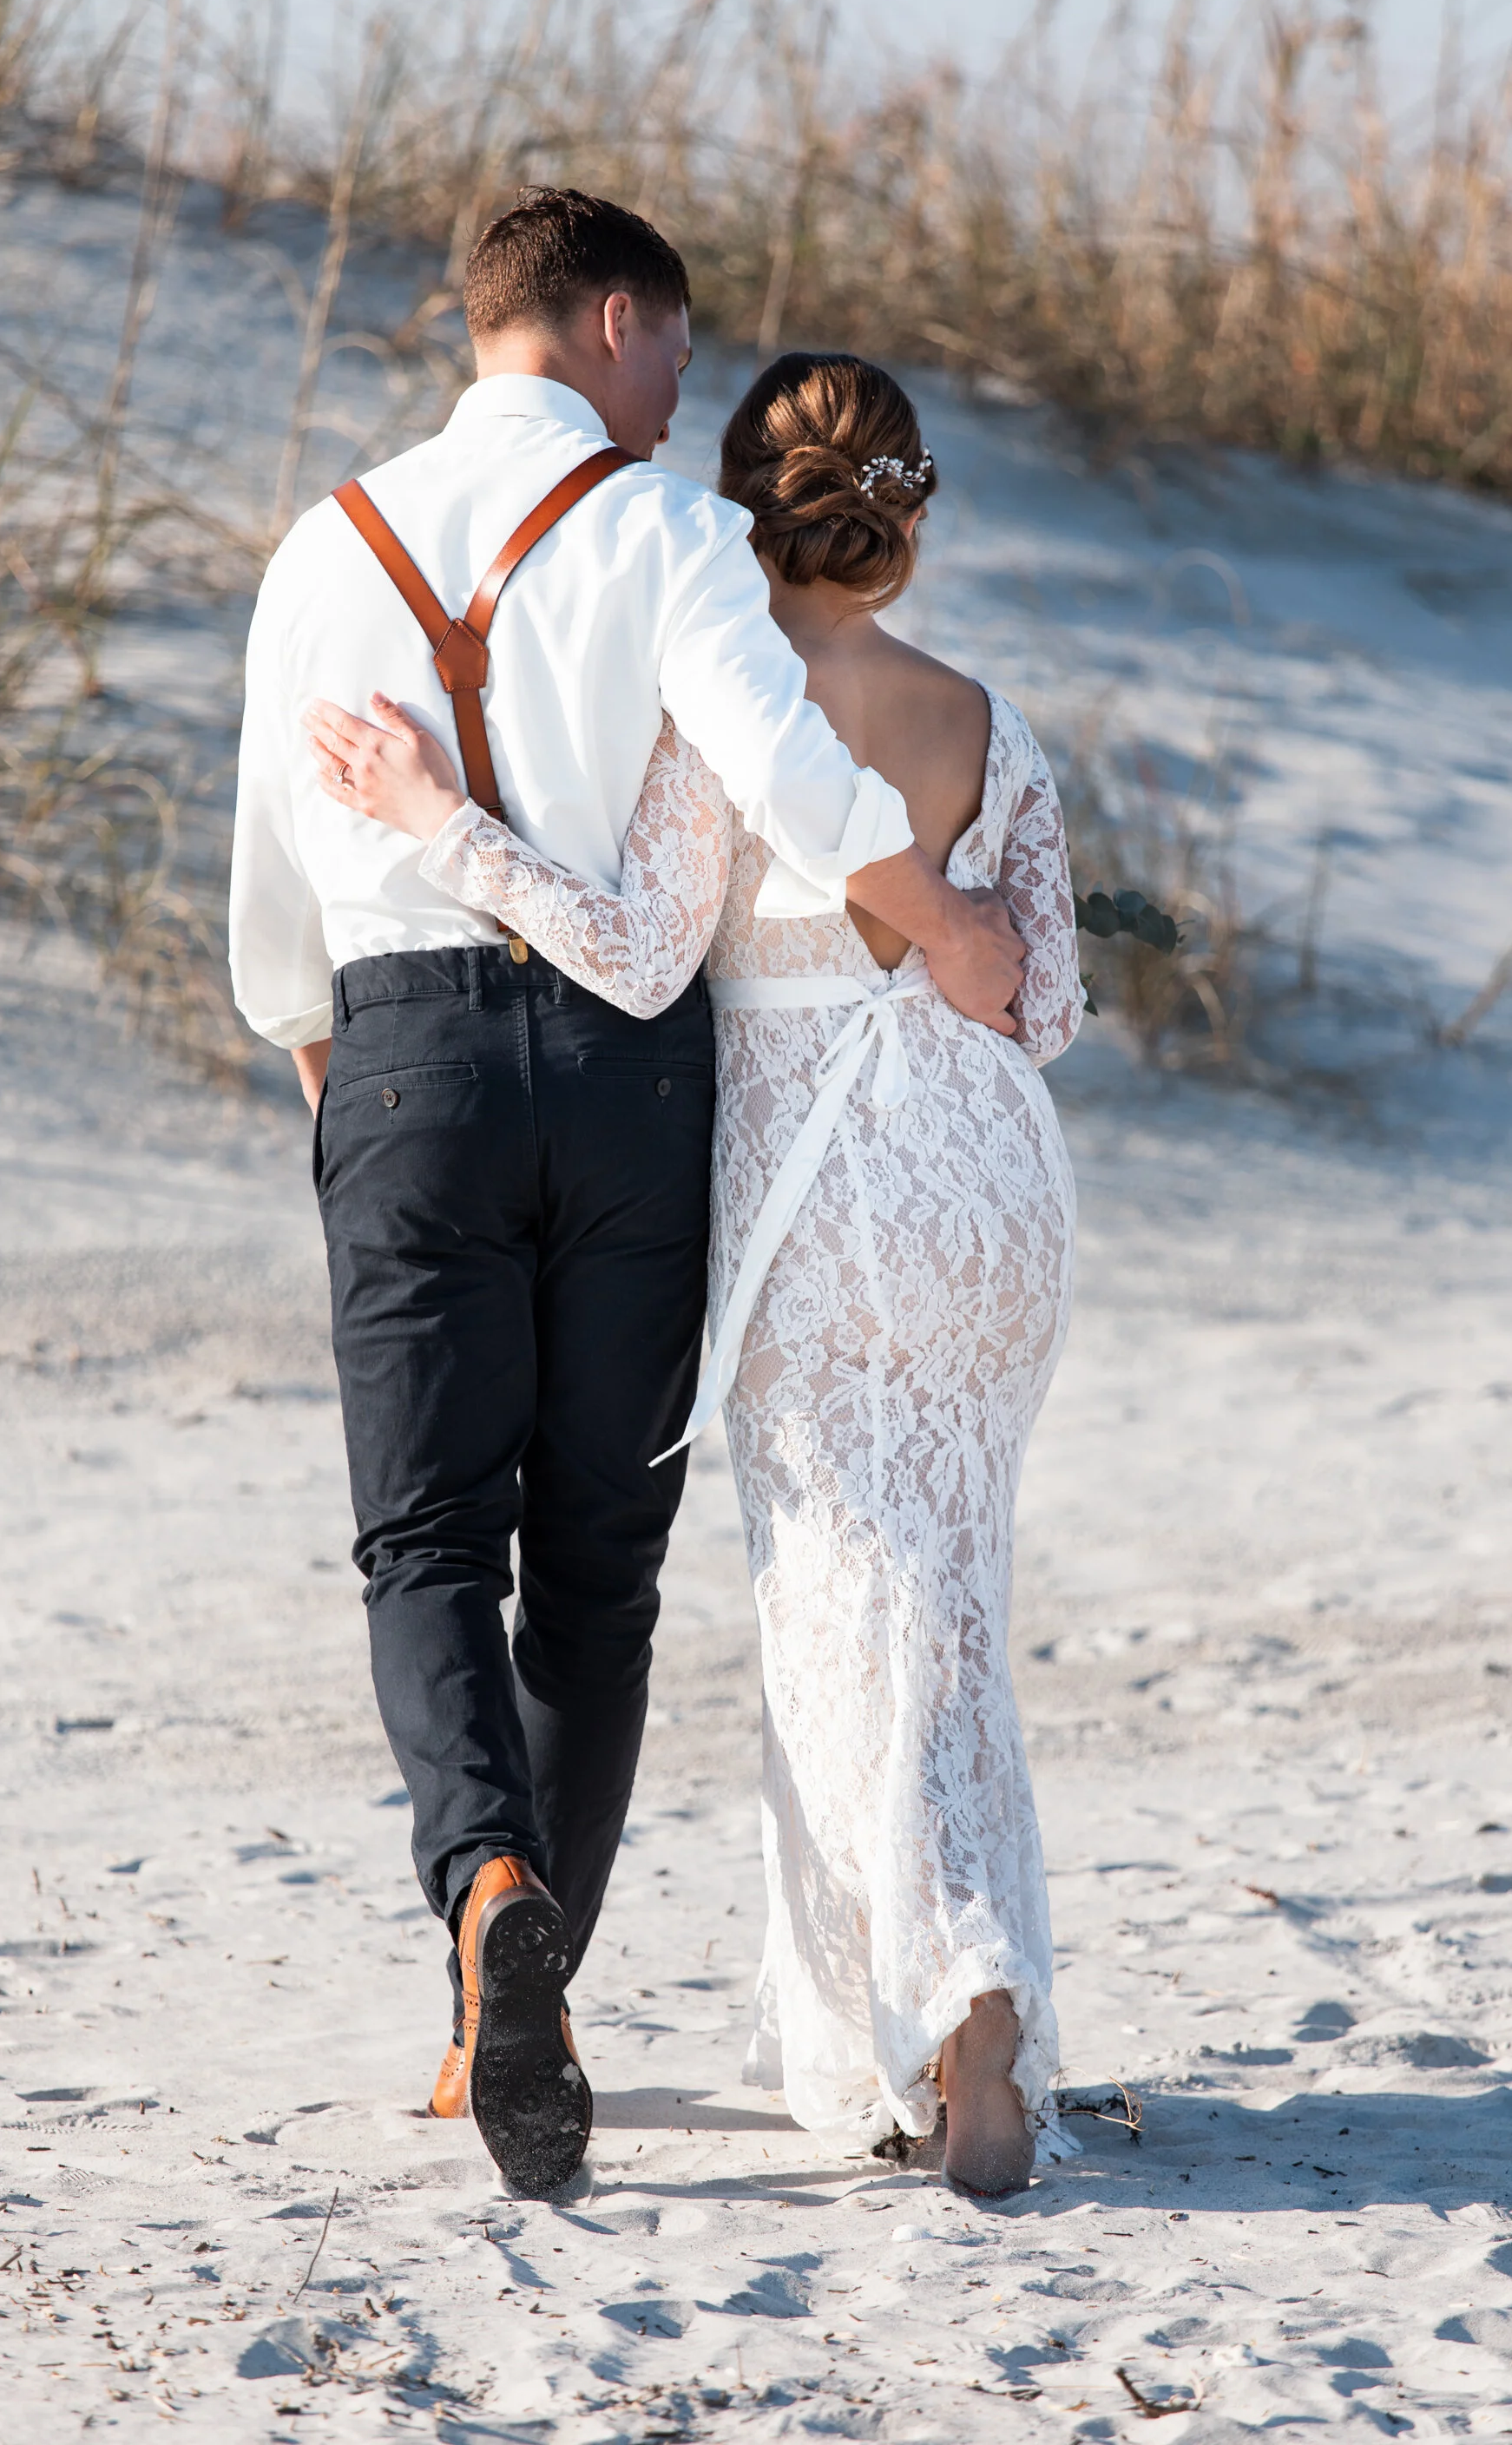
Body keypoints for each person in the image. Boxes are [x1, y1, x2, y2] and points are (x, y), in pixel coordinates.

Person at [228, 193, 1027, 2199]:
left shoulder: (324, 546)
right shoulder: (664, 533)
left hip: (399, 1056)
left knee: (422, 1545)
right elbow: (797, 787)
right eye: (673, 353)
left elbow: (266, 931)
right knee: (594, 1566)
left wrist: (363, 1114)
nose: (683, 397)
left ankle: (486, 1897)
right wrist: (929, 908)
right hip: (628, 1085)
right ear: (608, 322)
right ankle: (535, 1984)